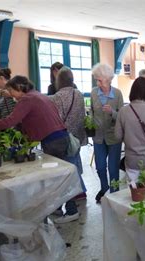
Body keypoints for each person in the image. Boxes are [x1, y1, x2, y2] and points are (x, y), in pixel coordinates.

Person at [0, 76, 80, 222]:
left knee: (58, 178)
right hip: (60, 138)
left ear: (19, 87)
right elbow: (29, 120)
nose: (10, 94)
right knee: (56, 176)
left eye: (11, 90)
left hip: (53, 141)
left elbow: (10, 121)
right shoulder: (38, 95)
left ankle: (71, 211)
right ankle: (57, 209)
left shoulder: (27, 99)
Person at [50, 66, 88, 203]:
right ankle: (81, 191)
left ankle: (79, 192)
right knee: (75, 162)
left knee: (69, 165)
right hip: (78, 134)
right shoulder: (79, 94)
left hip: (65, 137)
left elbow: (57, 119)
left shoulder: (56, 97)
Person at [90, 63, 124, 203]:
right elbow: (91, 112)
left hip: (114, 136)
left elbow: (122, 116)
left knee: (113, 168)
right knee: (100, 166)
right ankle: (104, 188)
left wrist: (112, 112)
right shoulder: (93, 93)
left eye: (99, 80)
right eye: (96, 80)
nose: (97, 82)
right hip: (98, 137)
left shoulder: (117, 94)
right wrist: (90, 122)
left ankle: (114, 194)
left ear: (108, 79)